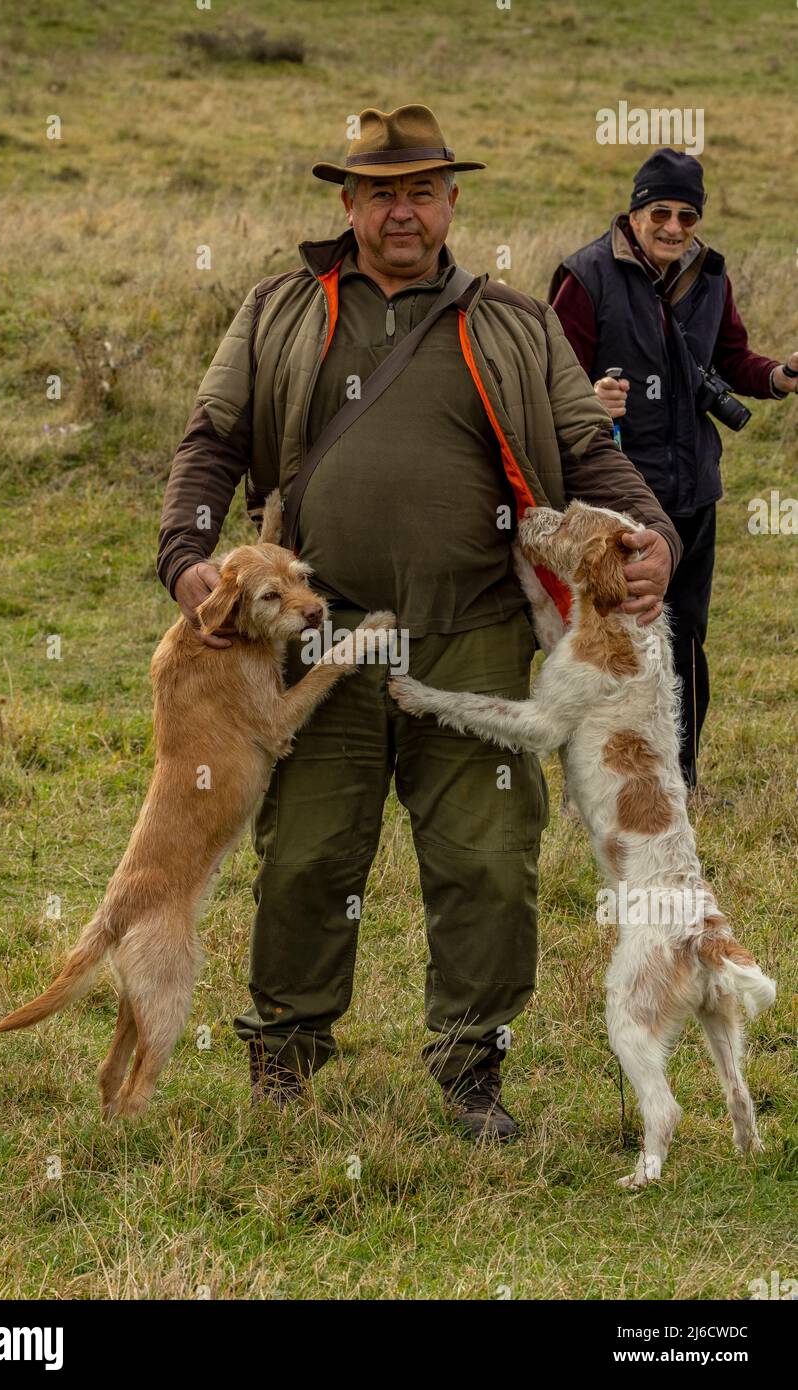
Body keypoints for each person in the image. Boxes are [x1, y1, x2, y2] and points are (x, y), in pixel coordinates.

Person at [156, 104, 683, 1143]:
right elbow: (211, 438)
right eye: (381, 192)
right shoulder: (279, 310)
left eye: (422, 191)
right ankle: (284, 1061)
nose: (403, 211)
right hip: (312, 644)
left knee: (489, 860)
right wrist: (186, 556)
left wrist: (650, 529)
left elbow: (586, 451)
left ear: (451, 204)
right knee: (306, 856)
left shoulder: (514, 322)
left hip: (475, 635)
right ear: (348, 204)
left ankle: (469, 1073)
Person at [550, 148, 798, 790]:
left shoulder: (711, 274)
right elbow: (550, 379)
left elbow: (734, 357)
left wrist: (776, 376)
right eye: (660, 212)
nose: (674, 227)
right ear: (635, 211)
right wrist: (589, 399)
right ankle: (595, 779)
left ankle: (679, 779)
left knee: (684, 638)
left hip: (693, 489)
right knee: (608, 639)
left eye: (688, 216)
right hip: (613, 491)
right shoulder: (584, 276)